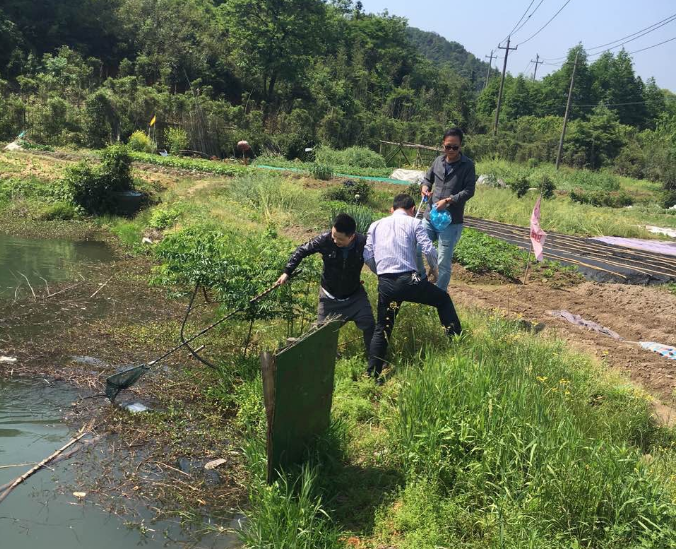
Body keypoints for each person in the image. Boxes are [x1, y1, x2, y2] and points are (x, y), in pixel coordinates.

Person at [364, 194, 462, 382]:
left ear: (392, 209)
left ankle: (372, 374)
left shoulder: (375, 225)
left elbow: (367, 255)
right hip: (410, 281)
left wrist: (382, 273)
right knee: (442, 299)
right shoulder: (414, 223)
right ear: (412, 209)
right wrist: (434, 269)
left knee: (383, 327)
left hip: (387, 285)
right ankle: (456, 341)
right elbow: (429, 249)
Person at [277, 213, 375, 357]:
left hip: (355, 296)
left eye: (340, 239)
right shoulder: (325, 239)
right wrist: (287, 272)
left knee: (370, 324)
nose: (335, 240)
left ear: (351, 236)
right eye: (333, 236)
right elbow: (302, 250)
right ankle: (331, 357)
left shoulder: (363, 243)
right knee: (320, 336)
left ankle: (375, 360)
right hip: (329, 296)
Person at [417, 127, 476, 291]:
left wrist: (449, 200)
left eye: (455, 147)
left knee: (443, 260)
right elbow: (427, 179)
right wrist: (425, 188)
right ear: (443, 145)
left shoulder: (467, 165)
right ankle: (422, 280)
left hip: (451, 220)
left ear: (460, 146)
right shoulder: (438, 161)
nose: (451, 150)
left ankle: (439, 294)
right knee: (416, 247)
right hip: (430, 216)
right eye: (448, 146)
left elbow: (469, 191)